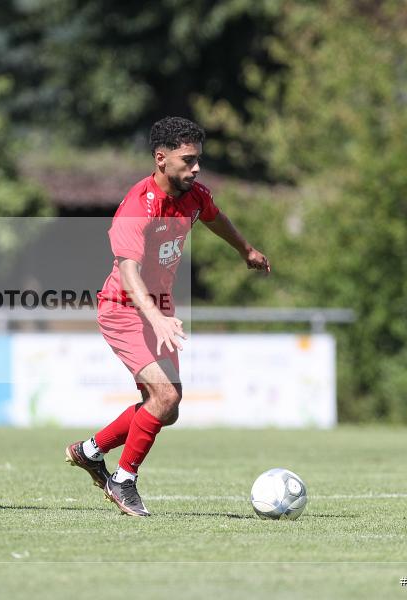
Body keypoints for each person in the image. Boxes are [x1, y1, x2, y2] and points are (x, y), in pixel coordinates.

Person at [65, 116, 270, 517]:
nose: (195, 168)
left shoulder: (194, 196)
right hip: (124, 310)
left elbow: (215, 217)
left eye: (198, 160)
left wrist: (245, 250)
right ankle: (123, 482)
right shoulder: (136, 206)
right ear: (161, 159)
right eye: (187, 160)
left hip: (158, 311)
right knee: (166, 396)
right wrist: (156, 318)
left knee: (166, 408)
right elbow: (127, 271)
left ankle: (89, 451)